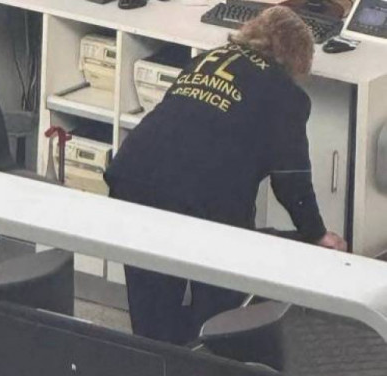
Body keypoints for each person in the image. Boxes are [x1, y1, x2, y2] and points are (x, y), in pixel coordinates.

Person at [104, 6, 347, 346]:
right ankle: (212, 356)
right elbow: (292, 180)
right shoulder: (285, 93)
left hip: (132, 176)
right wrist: (317, 234)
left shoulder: (206, 60)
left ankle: (155, 358)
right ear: (298, 57)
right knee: (222, 294)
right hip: (199, 197)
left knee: (152, 302)